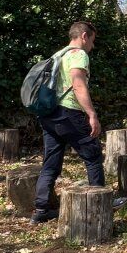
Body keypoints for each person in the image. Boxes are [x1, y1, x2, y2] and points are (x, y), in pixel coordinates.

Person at [31, 21, 104, 224]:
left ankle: (41, 209)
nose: (92, 46)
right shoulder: (78, 55)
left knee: (50, 163)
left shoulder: (59, 54)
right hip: (68, 112)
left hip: (49, 113)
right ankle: (100, 202)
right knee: (93, 154)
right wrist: (91, 114)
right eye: (92, 40)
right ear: (84, 36)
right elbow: (78, 85)